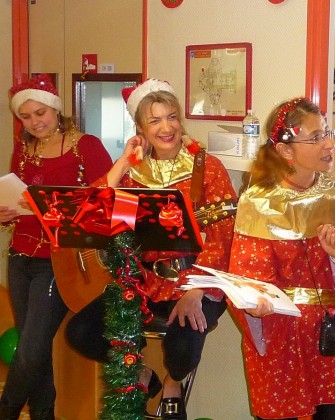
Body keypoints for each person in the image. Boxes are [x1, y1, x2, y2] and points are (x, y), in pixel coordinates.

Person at [64, 79, 236, 420]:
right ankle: (143, 374)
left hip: (197, 281)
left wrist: (197, 289)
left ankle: (172, 383)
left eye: (171, 117)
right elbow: (89, 215)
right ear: (140, 128)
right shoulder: (133, 172)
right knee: (81, 332)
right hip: (142, 283)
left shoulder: (206, 167)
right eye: (155, 120)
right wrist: (122, 164)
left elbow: (224, 234)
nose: (166, 127)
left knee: (182, 347)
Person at [228, 98, 335, 420]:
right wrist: (254, 300)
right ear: (286, 150)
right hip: (282, 335)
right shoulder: (258, 202)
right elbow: (245, 275)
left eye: (328, 133)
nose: (328, 144)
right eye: (315, 138)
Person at [0, 74, 113, 419]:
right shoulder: (23, 149)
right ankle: (43, 414)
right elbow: (19, 201)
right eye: (25, 116)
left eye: (40, 113)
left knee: (30, 350)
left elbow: (106, 205)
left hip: (61, 260)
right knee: (37, 350)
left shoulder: (86, 146)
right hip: (20, 255)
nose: (34, 122)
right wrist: (6, 213)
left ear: (55, 108)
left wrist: (54, 209)